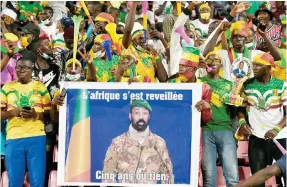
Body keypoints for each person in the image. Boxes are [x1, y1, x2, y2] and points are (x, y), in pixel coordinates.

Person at [0, 50, 51, 187]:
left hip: (37, 137)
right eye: (18, 67)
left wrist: (35, 114)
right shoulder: (7, 87)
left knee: (37, 182)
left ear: (32, 69)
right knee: (15, 182)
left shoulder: (40, 87)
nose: (21, 70)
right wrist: (12, 113)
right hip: (13, 138)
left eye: (25, 67)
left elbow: (50, 114)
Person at [238, 52, 287, 187]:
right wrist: (242, 122)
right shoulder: (246, 85)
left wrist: (276, 129)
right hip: (257, 137)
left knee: (284, 178)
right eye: (253, 64)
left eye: (259, 65)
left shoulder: (281, 85)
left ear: (269, 68)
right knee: (257, 179)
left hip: (280, 137)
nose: (254, 67)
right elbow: (240, 109)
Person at [102, 99, 174, 184]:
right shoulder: (118, 144)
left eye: (145, 113)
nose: (141, 117)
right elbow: (107, 175)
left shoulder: (159, 144)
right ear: (130, 116)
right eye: (137, 113)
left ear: (149, 116)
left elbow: (168, 177)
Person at [198, 51, 239, 187]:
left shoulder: (230, 85)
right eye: (210, 59)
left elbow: (234, 113)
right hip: (206, 130)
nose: (213, 62)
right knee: (209, 177)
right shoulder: (200, 83)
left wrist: (235, 100)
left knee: (232, 176)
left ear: (221, 64)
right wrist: (196, 67)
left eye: (216, 60)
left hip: (226, 130)